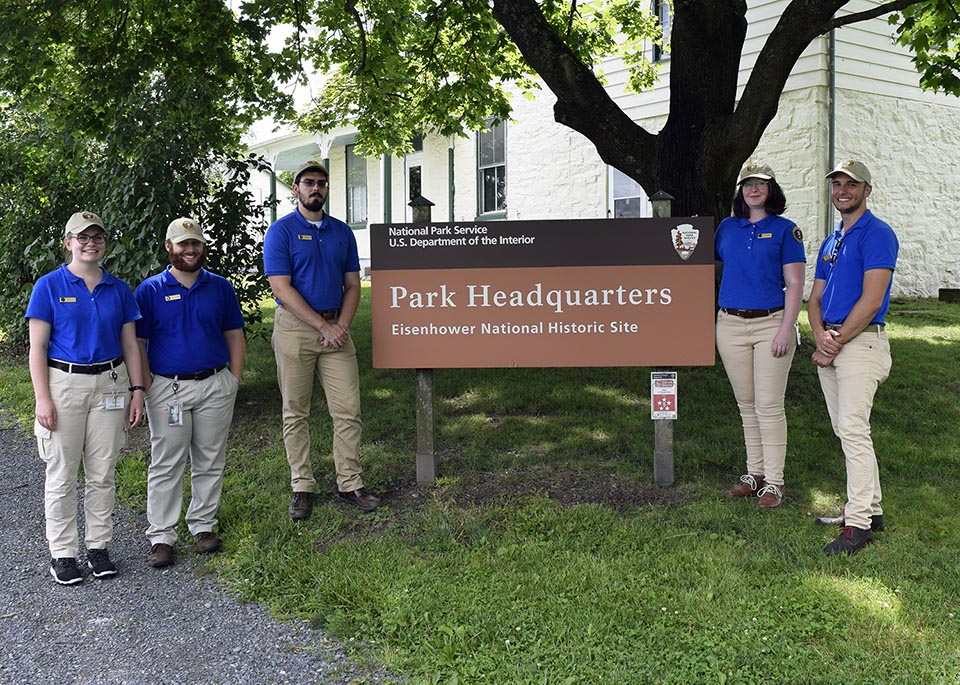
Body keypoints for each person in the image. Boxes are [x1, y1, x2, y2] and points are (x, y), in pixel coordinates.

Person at [26, 211, 145, 585]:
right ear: (68, 243)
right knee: (62, 473)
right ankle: (63, 554)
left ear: (104, 243)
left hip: (110, 384)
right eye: (82, 237)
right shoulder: (49, 285)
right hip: (65, 384)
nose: (90, 243)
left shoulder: (119, 289)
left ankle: (98, 548)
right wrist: (42, 399)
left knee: (102, 472)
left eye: (97, 237)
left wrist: (137, 390)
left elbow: (130, 344)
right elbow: (37, 348)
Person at [263, 160, 379, 519]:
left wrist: (340, 326)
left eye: (322, 183)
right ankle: (302, 486)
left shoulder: (342, 232)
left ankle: (350, 483)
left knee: (348, 410)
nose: (316, 188)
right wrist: (322, 327)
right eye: (309, 183)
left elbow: (352, 284)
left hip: (337, 330)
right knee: (295, 411)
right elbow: (280, 287)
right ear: (296, 188)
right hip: (296, 330)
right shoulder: (280, 232)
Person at [134, 218, 246, 568]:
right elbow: (137, 342)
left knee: (210, 457)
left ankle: (202, 525)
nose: (190, 249)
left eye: (195, 243)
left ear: (202, 247)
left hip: (215, 384)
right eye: (183, 244)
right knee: (167, 461)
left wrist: (233, 380)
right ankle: (162, 536)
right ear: (169, 247)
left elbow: (235, 336)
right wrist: (147, 384)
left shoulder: (220, 287)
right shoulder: (150, 290)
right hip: (170, 388)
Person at [808, 159, 898, 555]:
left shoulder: (877, 234)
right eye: (837, 184)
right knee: (847, 431)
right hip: (832, 341)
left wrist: (837, 340)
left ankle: (858, 524)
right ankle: (871, 509)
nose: (842, 190)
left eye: (851, 184)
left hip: (860, 343)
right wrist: (820, 338)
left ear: (867, 190)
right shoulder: (832, 241)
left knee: (853, 429)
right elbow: (814, 298)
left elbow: (872, 298)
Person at [716, 161, 806, 510]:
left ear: (772, 190)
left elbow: (795, 283)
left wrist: (787, 328)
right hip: (730, 325)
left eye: (761, 184)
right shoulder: (727, 228)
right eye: (748, 184)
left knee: (769, 406)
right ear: (741, 190)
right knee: (746, 405)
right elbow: (706, 265)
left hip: (771, 323)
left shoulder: (786, 230)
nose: (754, 189)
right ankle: (754, 474)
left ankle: (775, 482)